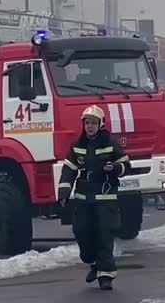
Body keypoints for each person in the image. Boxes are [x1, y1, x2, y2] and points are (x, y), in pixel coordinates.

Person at [57, 105, 131, 291]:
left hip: (106, 198)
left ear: (101, 124)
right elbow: (68, 172)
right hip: (84, 200)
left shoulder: (110, 143)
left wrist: (115, 168)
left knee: (105, 235)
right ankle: (94, 263)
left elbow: (126, 166)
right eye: (87, 123)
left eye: (93, 123)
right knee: (83, 233)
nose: (90, 126)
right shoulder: (77, 146)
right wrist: (64, 194)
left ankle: (105, 275)